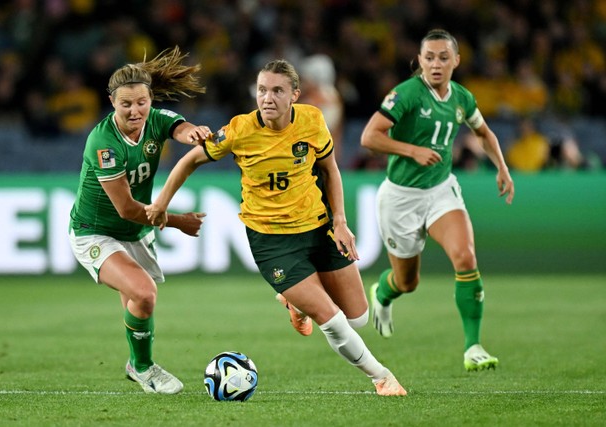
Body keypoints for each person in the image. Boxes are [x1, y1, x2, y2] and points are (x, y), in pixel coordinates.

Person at [146, 59, 407, 396]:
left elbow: (331, 170)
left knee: (357, 317)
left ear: (294, 95)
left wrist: (340, 221)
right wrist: (162, 203)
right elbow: (189, 160)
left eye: (277, 91)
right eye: (262, 90)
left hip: (319, 227)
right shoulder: (238, 130)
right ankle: (382, 377)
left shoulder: (313, 120)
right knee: (333, 320)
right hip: (273, 242)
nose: (267, 98)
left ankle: (295, 302)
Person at [360, 29, 515, 372]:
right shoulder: (406, 94)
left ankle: (472, 346)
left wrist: (502, 167)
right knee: (407, 282)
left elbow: (484, 133)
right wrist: (411, 150)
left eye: (443, 57)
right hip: (400, 198)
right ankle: (383, 294)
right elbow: (369, 136)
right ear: (420, 61)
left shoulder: (462, 98)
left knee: (465, 256)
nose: (436, 64)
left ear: (456, 61)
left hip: (441, 190)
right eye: (429, 57)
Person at [68, 46, 211, 394]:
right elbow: (128, 209)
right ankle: (144, 367)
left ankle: (136, 364)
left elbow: (176, 125)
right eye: (126, 104)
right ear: (111, 102)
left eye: (142, 102)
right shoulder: (104, 143)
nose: (135, 111)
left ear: (150, 99)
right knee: (144, 293)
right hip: (95, 233)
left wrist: (192, 133)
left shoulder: (154, 120)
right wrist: (178, 221)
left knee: (139, 301)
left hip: (135, 233)